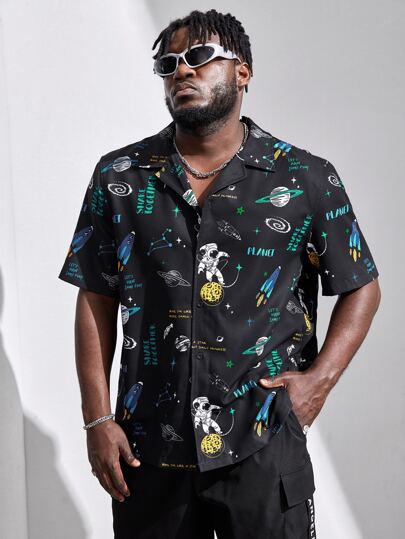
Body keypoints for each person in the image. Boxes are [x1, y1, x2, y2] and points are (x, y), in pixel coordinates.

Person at [58, 9, 381, 539]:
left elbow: (361, 284)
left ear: (243, 71)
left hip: (262, 437)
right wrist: (97, 419)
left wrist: (318, 382)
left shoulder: (305, 177)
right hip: (148, 448)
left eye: (200, 57)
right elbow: (95, 296)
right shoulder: (120, 176)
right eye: (168, 64)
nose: (182, 71)